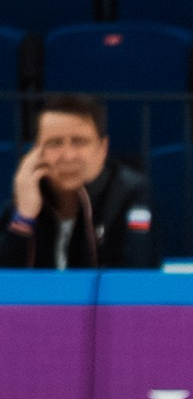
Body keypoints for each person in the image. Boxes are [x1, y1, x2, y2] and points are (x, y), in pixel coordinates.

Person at [6, 95, 161, 271]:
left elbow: (136, 275)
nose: (68, 156)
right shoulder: (27, 197)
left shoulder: (131, 193)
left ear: (102, 149)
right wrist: (24, 217)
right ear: (36, 153)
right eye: (54, 143)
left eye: (79, 142)